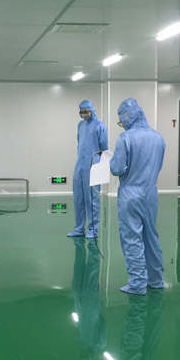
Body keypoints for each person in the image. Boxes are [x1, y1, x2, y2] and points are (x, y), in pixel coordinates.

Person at [110, 98, 166, 295]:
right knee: (151, 236)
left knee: (132, 238)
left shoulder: (125, 138)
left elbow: (117, 168)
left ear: (127, 117)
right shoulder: (158, 138)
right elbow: (158, 165)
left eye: (121, 120)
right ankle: (156, 280)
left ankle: (137, 283)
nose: (122, 124)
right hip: (150, 193)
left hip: (130, 194)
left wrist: (111, 162)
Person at [68, 99, 108, 239]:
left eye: (85, 111)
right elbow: (80, 143)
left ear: (91, 110)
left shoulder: (100, 126)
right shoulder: (80, 125)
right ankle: (79, 228)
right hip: (80, 165)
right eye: (81, 112)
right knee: (78, 198)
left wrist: (100, 166)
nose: (83, 114)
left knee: (92, 199)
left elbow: (104, 148)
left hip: (93, 165)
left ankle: (93, 229)